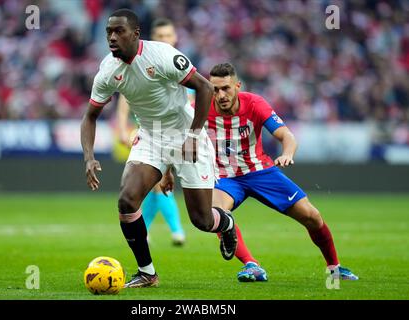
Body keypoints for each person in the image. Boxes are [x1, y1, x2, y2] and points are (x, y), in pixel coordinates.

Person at [80, 9, 237, 288]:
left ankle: (225, 224)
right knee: (127, 201)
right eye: (108, 32)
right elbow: (90, 116)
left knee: (201, 220)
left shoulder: (163, 55)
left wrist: (192, 136)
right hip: (151, 136)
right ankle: (147, 273)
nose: (112, 38)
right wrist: (89, 157)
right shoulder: (107, 70)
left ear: (136, 34)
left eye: (119, 32)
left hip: (186, 132)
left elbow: (204, 88)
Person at [161, 62, 359, 282]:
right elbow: (179, 137)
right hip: (224, 177)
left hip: (261, 172)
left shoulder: (255, 103)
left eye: (226, 88)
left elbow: (287, 136)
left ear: (237, 86)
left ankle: (334, 268)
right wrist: (167, 172)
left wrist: (287, 153)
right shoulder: (201, 106)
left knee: (312, 216)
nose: (221, 95)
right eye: (215, 90)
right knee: (214, 214)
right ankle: (251, 265)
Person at [116, 18, 189, 247]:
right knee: (155, 183)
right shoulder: (143, 63)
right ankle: (175, 231)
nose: (165, 40)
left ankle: (150, 230)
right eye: (160, 37)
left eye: (168, 36)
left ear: (175, 38)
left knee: (159, 185)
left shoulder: (182, 64)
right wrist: (121, 127)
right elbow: (125, 97)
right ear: (152, 39)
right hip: (153, 132)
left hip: (183, 133)